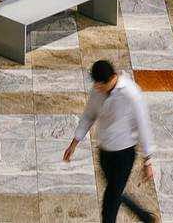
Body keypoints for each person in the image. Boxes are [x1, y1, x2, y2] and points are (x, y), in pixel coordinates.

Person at [63, 57, 156, 223]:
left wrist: (148, 159)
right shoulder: (98, 91)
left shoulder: (131, 93)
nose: (96, 88)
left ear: (111, 79)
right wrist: (74, 144)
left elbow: (143, 124)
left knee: (109, 206)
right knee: (115, 193)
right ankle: (145, 217)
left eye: (99, 84)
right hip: (104, 153)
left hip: (124, 156)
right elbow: (88, 115)